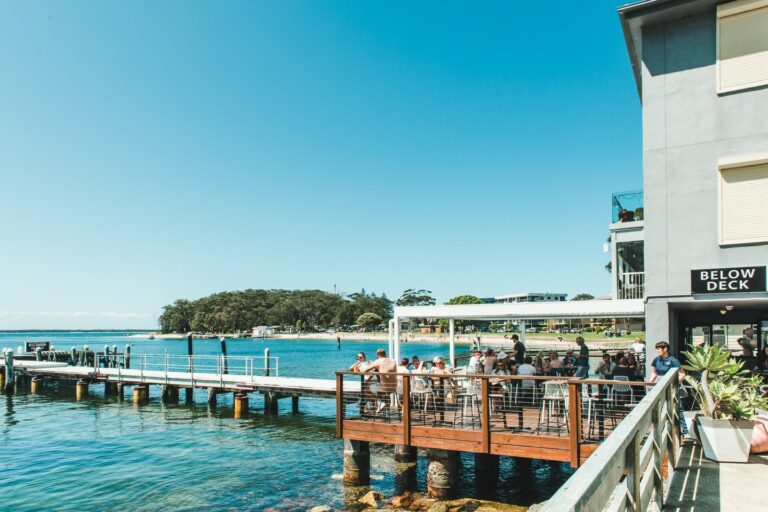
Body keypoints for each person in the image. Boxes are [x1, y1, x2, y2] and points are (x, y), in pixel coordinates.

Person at [649, 340, 688, 435]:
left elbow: (682, 374)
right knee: (659, 407)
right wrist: (650, 383)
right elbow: (654, 372)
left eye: (658, 349)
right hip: (660, 385)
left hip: (673, 387)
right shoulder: (656, 359)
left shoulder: (673, 360)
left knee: (679, 408)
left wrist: (674, 383)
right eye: (656, 349)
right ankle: (661, 430)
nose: (657, 351)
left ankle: (685, 431)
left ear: (665, 349)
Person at [362, 348, 399, 413]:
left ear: (378, 355)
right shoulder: (393, 361)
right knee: (385, 392)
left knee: (365, 389)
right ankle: (387, 411)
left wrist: (373, 366)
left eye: (377, 356)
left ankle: (379, 402)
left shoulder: (378, 361)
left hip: (384, 387)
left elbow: (365, 370)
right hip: (394, 387)